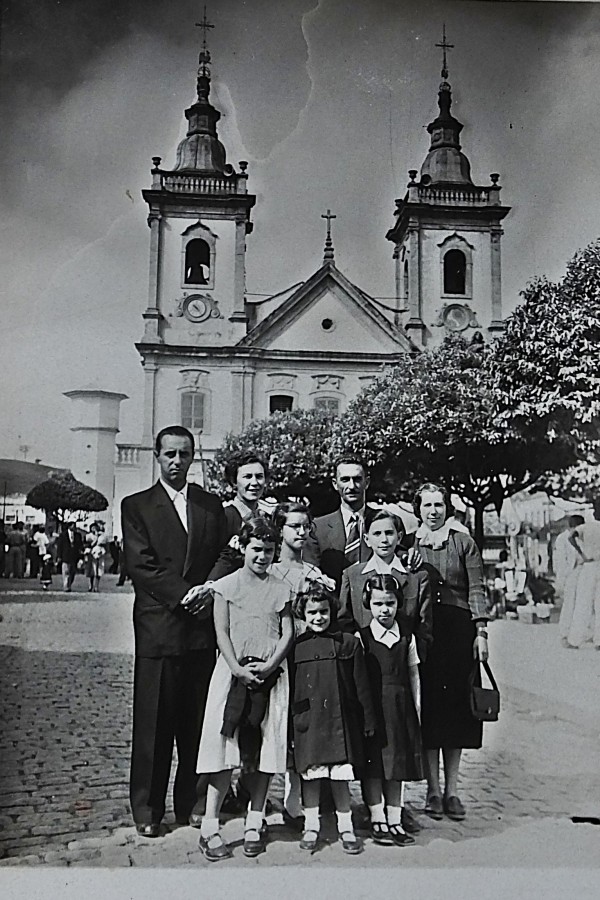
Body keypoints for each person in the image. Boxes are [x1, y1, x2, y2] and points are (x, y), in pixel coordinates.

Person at [121, 425, 228, 838]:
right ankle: (147, 809)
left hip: (200, 629)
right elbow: (141, 565)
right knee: (154, 724)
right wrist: (186, 596)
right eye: (170, 454)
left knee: (197, 723)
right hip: (159, 627)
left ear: (193, 456)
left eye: (184, 454)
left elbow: (224, 551)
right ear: (157, 455)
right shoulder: (137, 506)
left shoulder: (209, 505)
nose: (177, 462)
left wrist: (209, 590)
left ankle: (192, 803)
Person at [195, 516, 293, 861]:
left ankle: (255, 818)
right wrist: (237, 668)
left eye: (269, 551)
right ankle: (210, 824)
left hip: (270, 675)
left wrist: (269, 665)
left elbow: (288, 632)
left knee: (265, 749)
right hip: (232, 673)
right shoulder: (226, 586)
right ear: (243, 548)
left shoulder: (281, 588)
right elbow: (221, 632)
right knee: (225, 750)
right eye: (256, 549)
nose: (262, 557)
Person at [411, 482, 489, 822]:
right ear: (419, 509)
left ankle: (452, 790)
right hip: (426, 633)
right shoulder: (409, 545)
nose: (433, 511)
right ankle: (431, 789)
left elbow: (476, 588)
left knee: (457, 711)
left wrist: (481, 632)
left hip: (459, 633)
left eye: (438, 505)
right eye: (427, 505)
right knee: (430, 710)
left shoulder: (463, 542)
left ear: (447, 507)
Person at [290, 583, 376, 855]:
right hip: (309, 720)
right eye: (312, 612)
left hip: (340, 721)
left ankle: (346, 826)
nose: (318, 618)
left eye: (324, 611)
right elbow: (292, 689)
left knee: (340, 776)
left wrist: (368, 721)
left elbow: (362, 686)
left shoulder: (348, 643)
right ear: (303, 614)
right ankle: (311, 825)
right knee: (311, 775)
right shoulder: (296, 647)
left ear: (332, 611)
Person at [269, 501, 335, 826]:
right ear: (279, 530)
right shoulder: (268, 572)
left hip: (305, 661)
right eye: (293, 526)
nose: (300, 532)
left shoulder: (313, 575)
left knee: (302, 727)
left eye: (304, 526)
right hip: (277, 661)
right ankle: (259, 802)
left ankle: (295, 802)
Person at [360, 574, 424, 846]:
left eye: (390, 603)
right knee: (373, 764)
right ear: (368, 604)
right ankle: (376, 816)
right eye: (378, 604)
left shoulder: (407, 637)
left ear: (398, 603)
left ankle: (395, 818)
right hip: (373, 708)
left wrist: (417, 708)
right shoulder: (362, 637)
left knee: (396, 763)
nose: (384, 609)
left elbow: (413, 674)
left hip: (400, 708)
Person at [338, 507, 432, 663]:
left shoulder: (417, 577)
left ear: (399, 537)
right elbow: (344, 620)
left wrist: (413, 653)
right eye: (377, 534)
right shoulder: (352, 575)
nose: (384, 540)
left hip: (403, 663)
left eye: (389, 533)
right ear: (366, 539)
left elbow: (425, 626)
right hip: (364, 660)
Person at [303, 455, 372, 589]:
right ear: (335, 484)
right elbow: (311, 573)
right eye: (345, 480)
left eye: (357, 479)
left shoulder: (385, 522)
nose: (352, 486)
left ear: (367, 482)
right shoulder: (318, 528)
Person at [207, 452, 269, 581]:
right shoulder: (223, 517)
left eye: (259, 476)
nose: (255, 482)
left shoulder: (266, 518)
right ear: (233, 482)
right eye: (247, 477)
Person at [564, 501, 600, 649]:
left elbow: (571, 536)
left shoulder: (587, 526)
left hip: (590, 565)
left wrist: (582, 553)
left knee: (583, 603)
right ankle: (599, 641)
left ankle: (575, 640)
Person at [556, 515, 585, 643]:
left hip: (582, 571)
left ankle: (581, 632)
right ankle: (565, 632)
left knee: (582, 603)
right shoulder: (562, 539)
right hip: (570, 573)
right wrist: (564, 578)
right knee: (569, 603)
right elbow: (561, 561)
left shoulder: (582, 537)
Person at [55, 522, 83, 591]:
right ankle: (66, 586)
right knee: (66, 571)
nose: (74, 527)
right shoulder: (63, 535)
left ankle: (69, 584)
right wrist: (59, 556)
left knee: (72, 572)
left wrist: (81, 556)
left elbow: (80, 546)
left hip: (74, 556)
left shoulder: (78, 535)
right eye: (73, 526)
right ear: (69, 526)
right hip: (65, 555)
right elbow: (59, 546)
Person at [84, 522, 108, 592]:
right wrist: (96, 539)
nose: (94, 529)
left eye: (95, 528)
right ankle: (90, 586)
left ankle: (96, 586)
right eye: (92, 528)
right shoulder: (88, 536)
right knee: (91, 571)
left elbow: (104, 544)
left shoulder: (102, 536)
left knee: (98, 571)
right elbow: (89, 545)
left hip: (99, 554)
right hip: (91, 554)